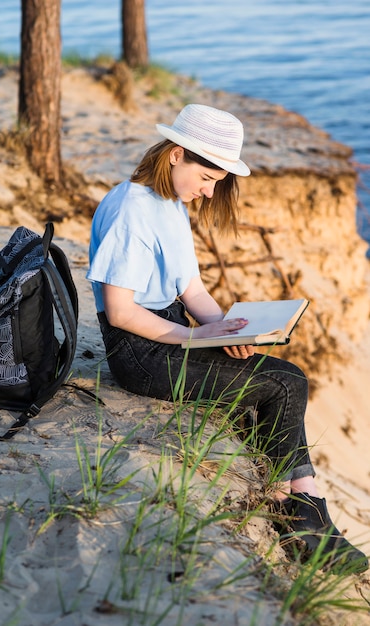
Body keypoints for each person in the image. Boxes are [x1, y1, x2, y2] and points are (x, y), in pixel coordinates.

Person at [87, 103, 368, 574]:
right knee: (286, 383)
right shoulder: (131, 210)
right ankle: (302, 510)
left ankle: (299, 505)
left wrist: (225, 328)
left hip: (167, 333)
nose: (209, 190)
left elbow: (190, 288)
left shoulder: (170, 203)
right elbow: (120, 313)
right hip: (139, 354)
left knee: (280, 376)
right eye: (208, 177)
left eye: (216, 181)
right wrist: (194, 338)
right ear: (176, 155)